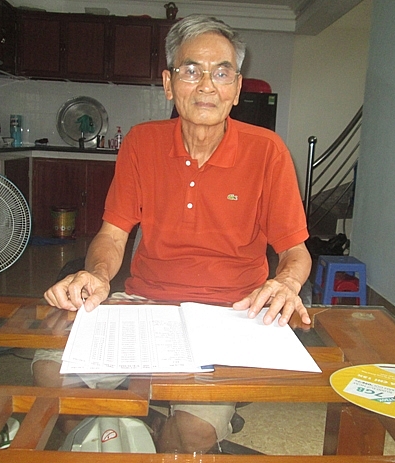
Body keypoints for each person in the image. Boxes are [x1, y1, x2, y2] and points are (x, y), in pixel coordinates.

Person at [38, 14, 312, 454]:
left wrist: (286, 283)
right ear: (169, 84)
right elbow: (113, 234)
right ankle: (126, 429)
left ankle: (156, 430)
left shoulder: (268, 152)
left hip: (230, 313)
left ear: (237, 88)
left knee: (194, 432)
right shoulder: (141, 143)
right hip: (145, 302)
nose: (206, 86)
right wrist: (98, 275)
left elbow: (295, 250)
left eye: (221, 73)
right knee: (52, 376)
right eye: (191, 71)